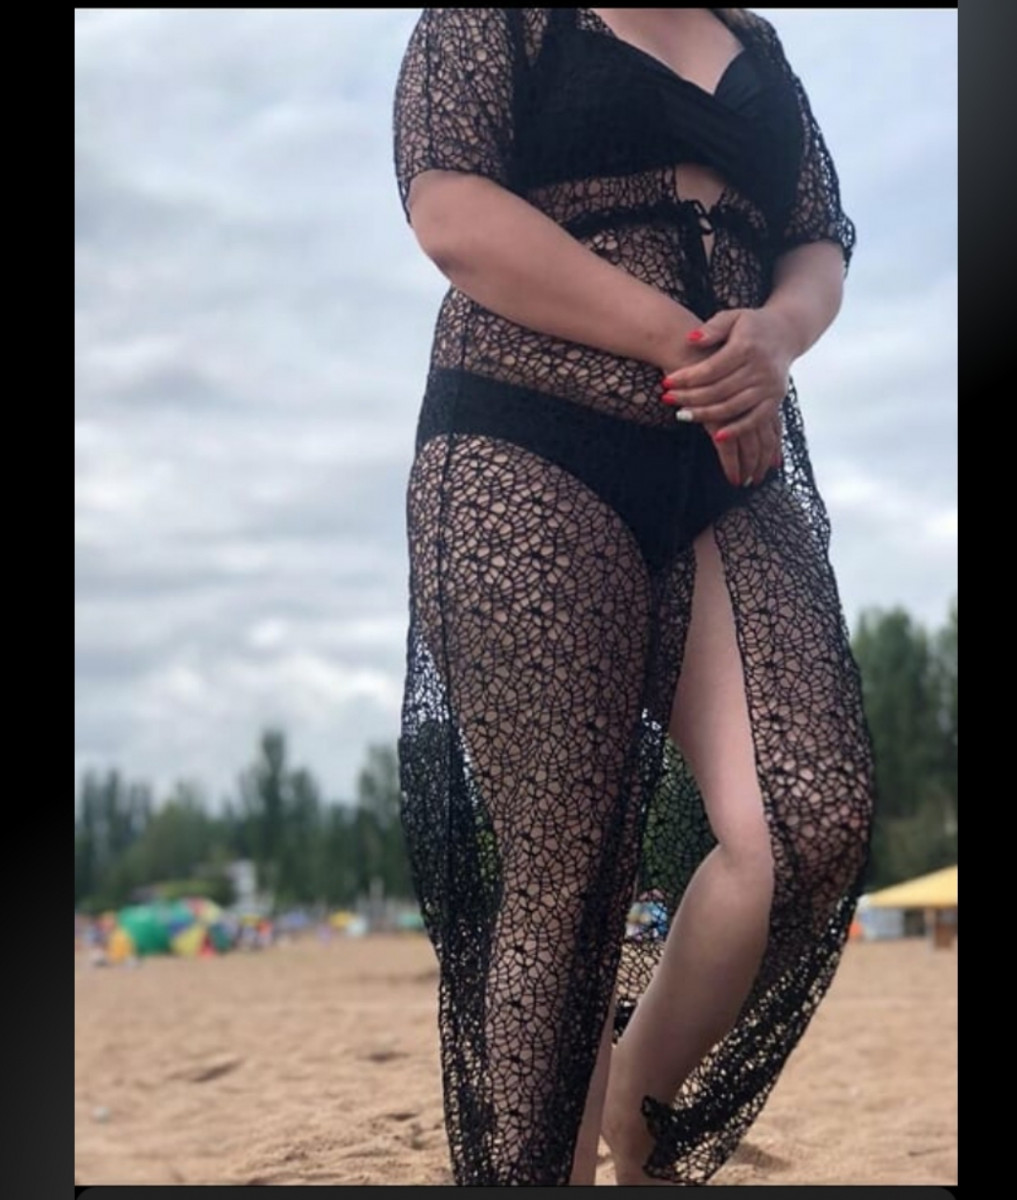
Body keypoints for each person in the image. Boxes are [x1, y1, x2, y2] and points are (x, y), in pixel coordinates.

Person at [392, 7, 875, 1186]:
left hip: (722, 460)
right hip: (528, 438)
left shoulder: (755, 43)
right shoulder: (500, 17)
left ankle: (636, 1101)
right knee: (568, 869)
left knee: (810, 818)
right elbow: (451, 213)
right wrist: (688, 343)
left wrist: (777, 335)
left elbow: (818, 241)